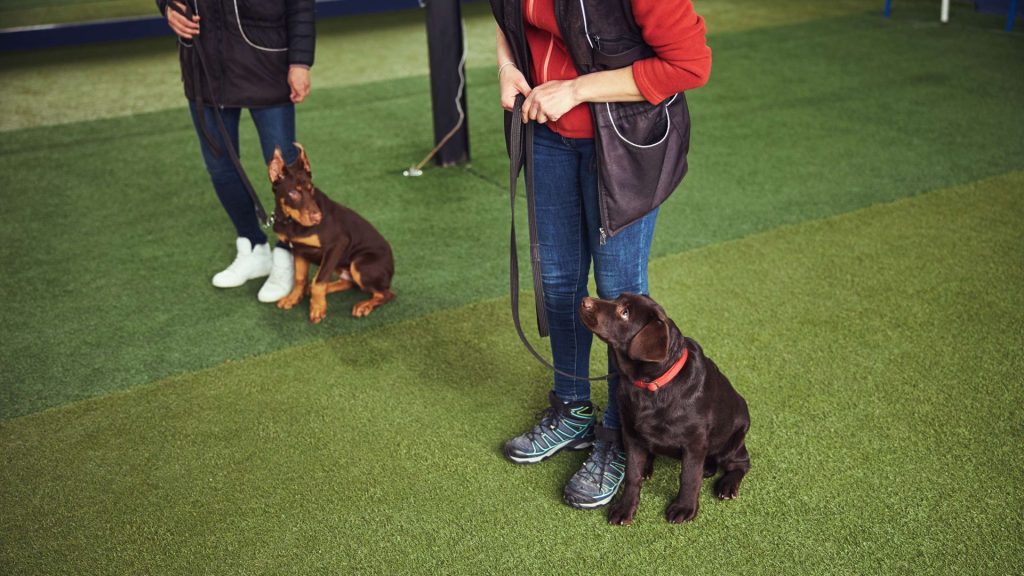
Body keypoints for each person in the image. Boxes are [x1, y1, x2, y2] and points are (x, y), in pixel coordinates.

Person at [492, 0, 711, 508]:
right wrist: (507, 67)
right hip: (546, 134)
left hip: (623, 142)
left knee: (618, 297)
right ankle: (571, 409)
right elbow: (507, 19)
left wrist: (574, 89)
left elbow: (690, 64)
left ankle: (620, 434)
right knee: (561, 285)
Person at [159, 0, 315, 301]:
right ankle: (254, 247)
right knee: (220, 167)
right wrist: (166, 6)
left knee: (284, 169)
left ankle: (288, 252)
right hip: (204, 66)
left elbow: (300, 5)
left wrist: (300, 62)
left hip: (267, 62)